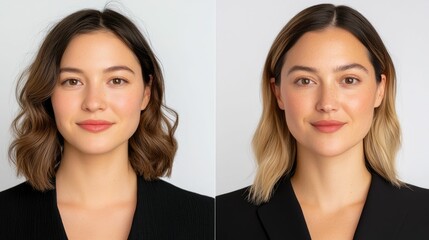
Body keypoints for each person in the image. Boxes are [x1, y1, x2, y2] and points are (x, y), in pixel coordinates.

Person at [217, 3, 429, 239]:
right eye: (305, 81)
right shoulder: (221, 219)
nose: (327, 103)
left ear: (380, 89)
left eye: (349, 80)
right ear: (278, 93)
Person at [0, 8, 213, 240]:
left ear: (146, 93)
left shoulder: (207, 219)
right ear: (48, 94)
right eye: (72, 81)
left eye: (116, 80)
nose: (93, 103)